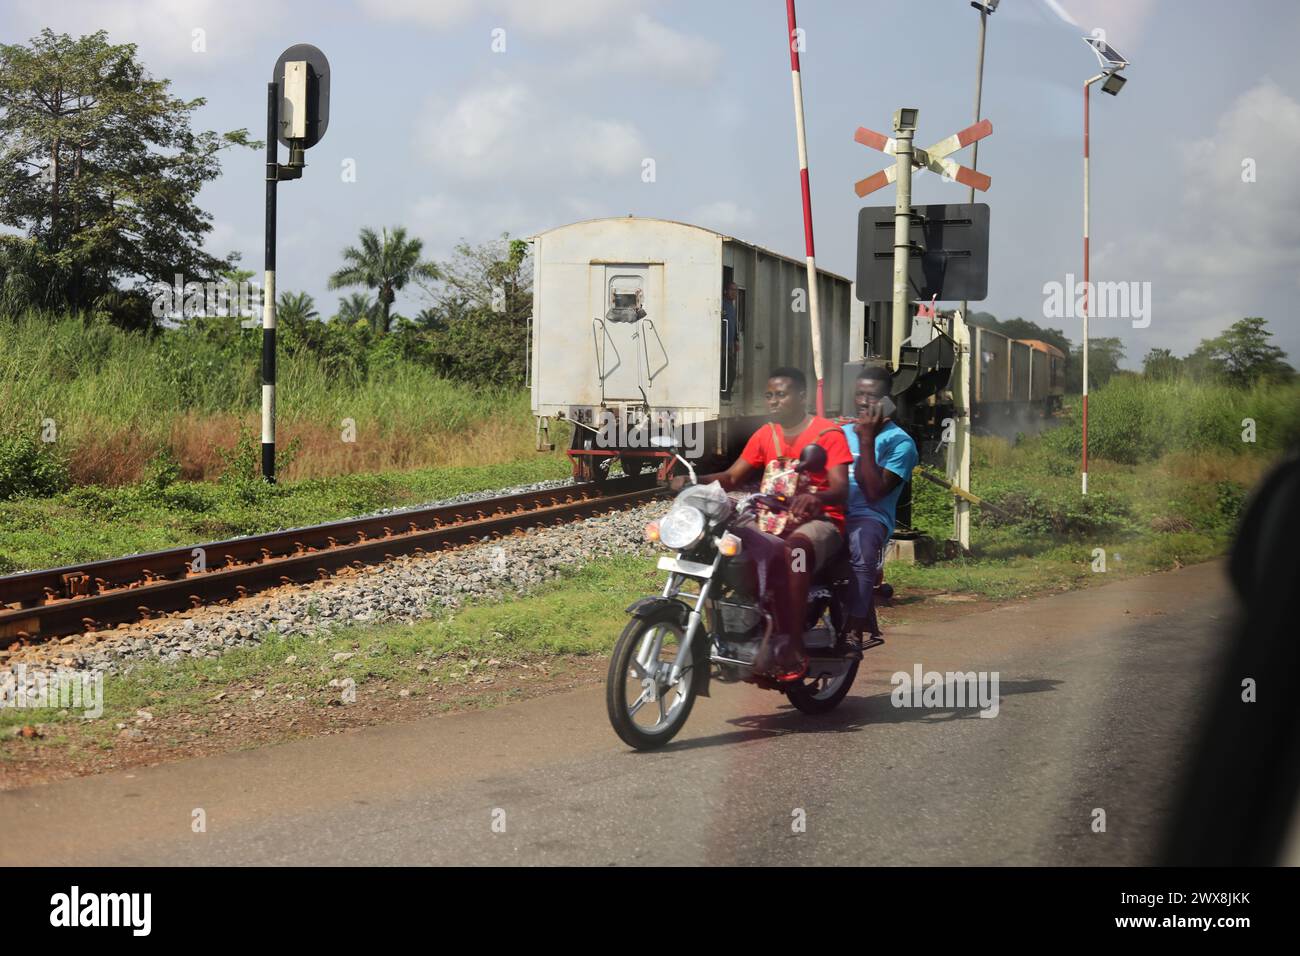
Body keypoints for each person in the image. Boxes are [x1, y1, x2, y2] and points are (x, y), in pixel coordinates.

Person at [670, 366, 851, 680]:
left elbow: (841, 487)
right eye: (769, 395)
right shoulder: (766, 434)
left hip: (820, 521)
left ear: (802, 396)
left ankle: (791, 644)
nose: (773, 401)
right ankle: (728, 633)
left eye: (781, 394)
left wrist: (816, 498)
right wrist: (692, 480)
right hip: (771, 517)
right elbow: (732, 477)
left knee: (794, 550)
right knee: (717, 542)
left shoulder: (827, 434)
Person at [840, 366, 918, 659]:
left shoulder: (900, 443)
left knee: (862, 546)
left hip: (868, 515)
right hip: (834, 508)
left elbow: (874, 492)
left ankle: (854, 628)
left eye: (871, 396)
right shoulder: (839, 431)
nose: (862, 401)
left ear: (887, 399)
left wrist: (867, 439)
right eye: (859, 394)